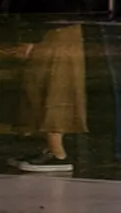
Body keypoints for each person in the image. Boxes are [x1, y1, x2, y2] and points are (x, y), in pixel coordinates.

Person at [12, 21, 85, 174]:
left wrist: (30, 38)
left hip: (56, 28)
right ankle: (50, 147)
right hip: (55, 28)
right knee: (40, 85)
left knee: (54, 87)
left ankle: (57, 152)